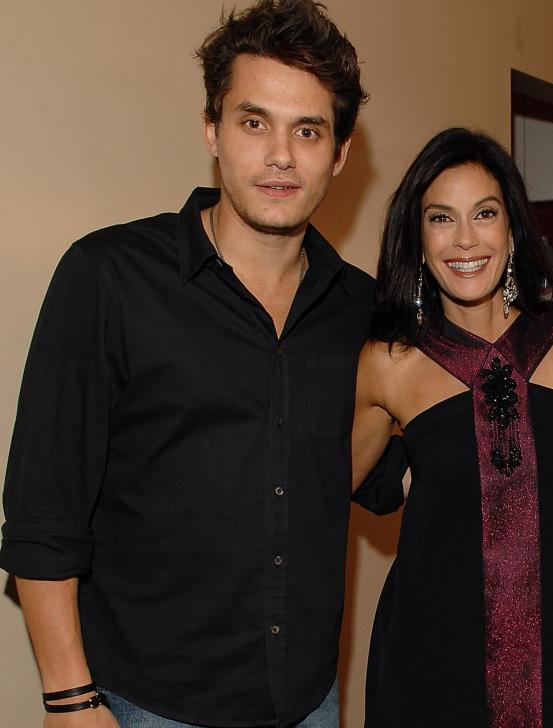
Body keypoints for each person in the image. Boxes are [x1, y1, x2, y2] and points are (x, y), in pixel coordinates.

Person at [0, 1, 371, 726]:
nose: (281, 157)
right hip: (148, 704)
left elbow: (377, 471)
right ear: (212, 128)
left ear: (341, 152)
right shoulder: (109, 277)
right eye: (254, 122)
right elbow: (43, 509)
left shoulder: (359, 308)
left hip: (308, 703)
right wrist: (70, 699)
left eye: (308, 130)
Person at [351, 127, 553, 728]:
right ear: (417, 239)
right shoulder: (389, 363)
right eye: (441, 218)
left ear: (512, 229)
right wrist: (403, 473)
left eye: (484, 214)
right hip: (429, 670)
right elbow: (326, 481)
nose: (465, 239)